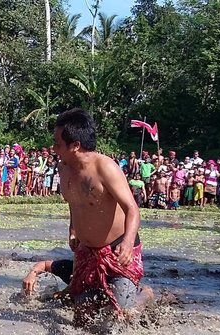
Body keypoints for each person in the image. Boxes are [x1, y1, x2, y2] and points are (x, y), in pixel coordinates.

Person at [53, 108, 152, 325]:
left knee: (121, 316)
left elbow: (132, 209)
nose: (54, 149)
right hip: (87, 252)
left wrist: (127, 243)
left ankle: (145, 294)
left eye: (58, 144)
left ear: (75, 146)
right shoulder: (64, 168)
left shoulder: (106, 168)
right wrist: (72, 230)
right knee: (82, 319)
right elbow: (74, 202)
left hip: (118, 250)